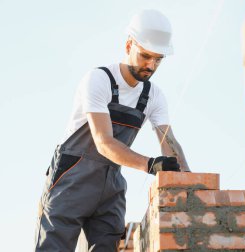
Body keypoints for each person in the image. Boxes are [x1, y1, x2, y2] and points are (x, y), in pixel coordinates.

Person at [34, 9, 190, 251]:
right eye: (145, 56)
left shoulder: (154, 96)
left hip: (110, 184)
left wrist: (190, 184)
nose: (151, 65)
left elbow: (169, 142)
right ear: (129, 45)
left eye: (158, 59)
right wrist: (150, 164)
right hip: (71, 176)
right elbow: (103, 142)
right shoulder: (99, 79)